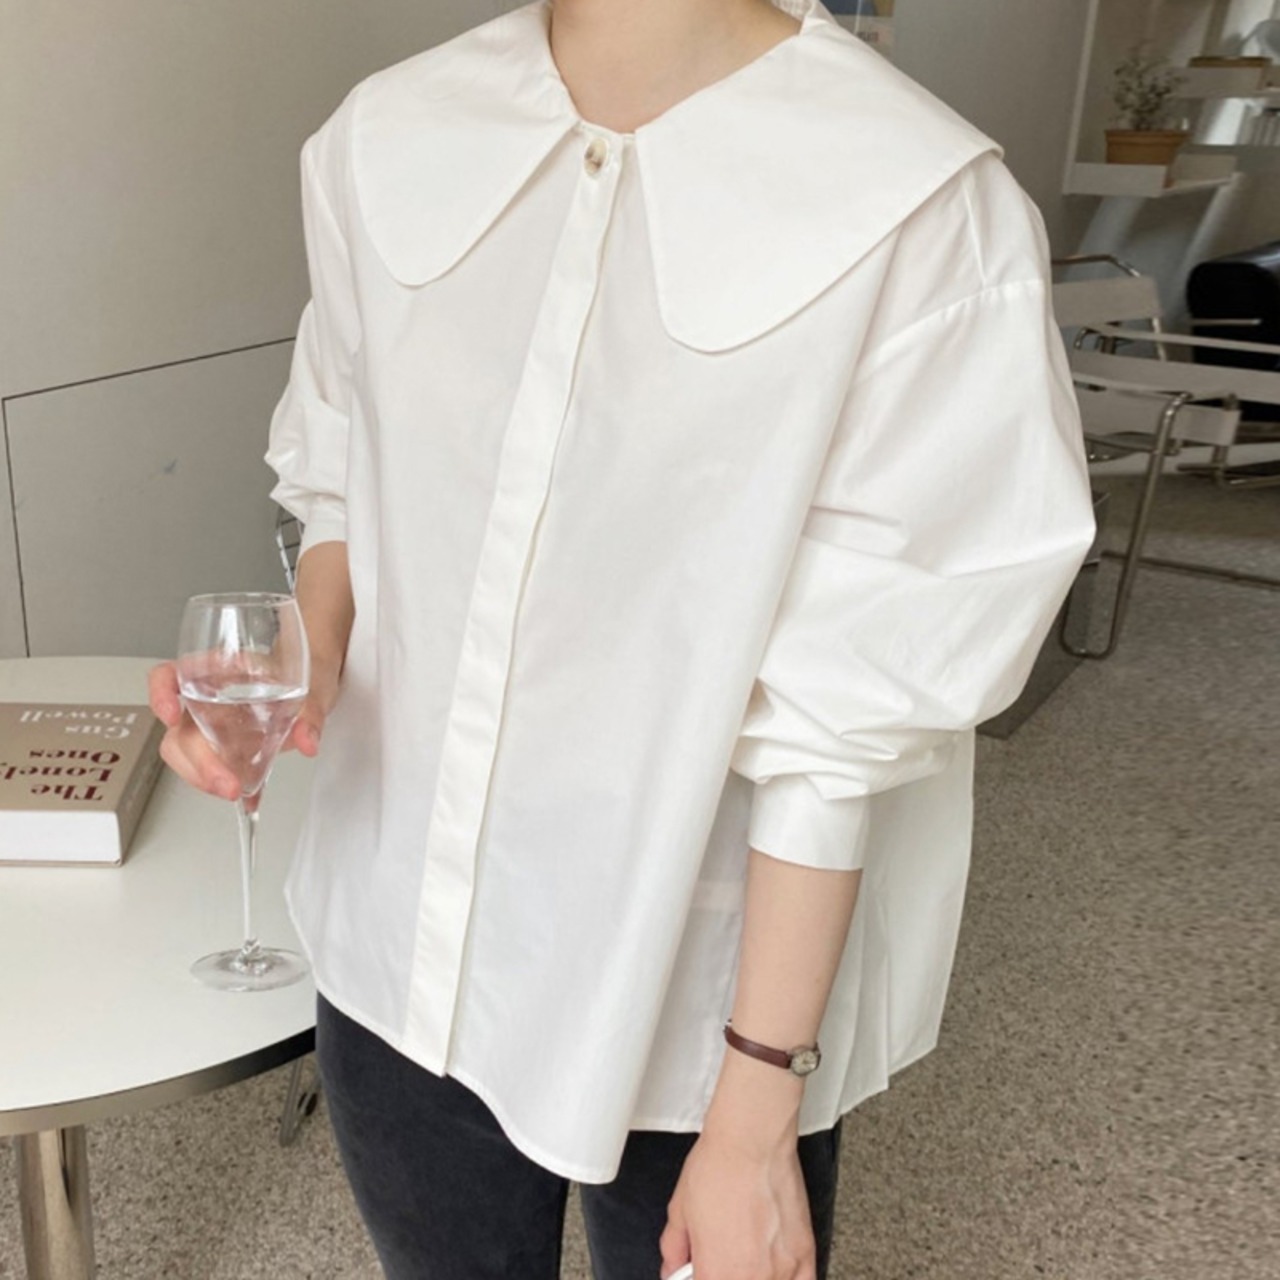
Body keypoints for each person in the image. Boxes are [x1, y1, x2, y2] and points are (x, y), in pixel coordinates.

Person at [149, 1, 1097, 1276]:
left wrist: (753, 1114)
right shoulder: (385, 134)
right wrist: (306, 659)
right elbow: (342, 462)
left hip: (687, 998)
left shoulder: (918, 205)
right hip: (393, 950)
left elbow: (848, 711)